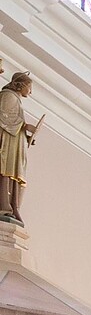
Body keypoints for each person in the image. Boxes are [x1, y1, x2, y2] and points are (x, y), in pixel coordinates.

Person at [0, 71, 39, 226]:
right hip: (7, 147)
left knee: (13, 175)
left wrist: (26, 137)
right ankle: (4, 206)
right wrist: (25, 126)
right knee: (6, 172)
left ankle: (11, 206)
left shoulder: (14, 99)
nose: (30, 92)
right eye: (29, 88)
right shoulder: (8, 96)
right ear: (21, 85)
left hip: (15, 146)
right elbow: (4, 118)